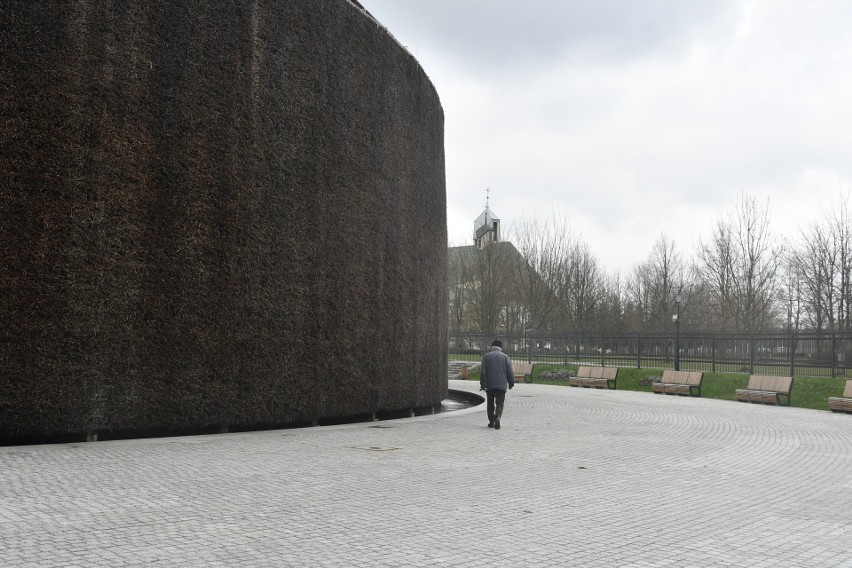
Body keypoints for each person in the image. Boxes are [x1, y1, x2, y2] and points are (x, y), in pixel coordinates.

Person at [480, 339, 514, 430]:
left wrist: (483, 384)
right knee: (500, 403)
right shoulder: (505, 357)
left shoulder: (486, 357)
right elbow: (510, 371)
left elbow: (483, 372)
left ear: (492, 347)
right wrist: (511, 383)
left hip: (490, 384)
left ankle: (491, 421)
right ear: (501, 348)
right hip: (501, 385)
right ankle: (498, 417)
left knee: (490, 403)